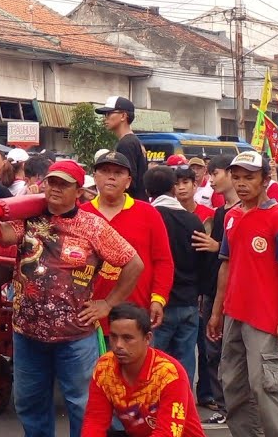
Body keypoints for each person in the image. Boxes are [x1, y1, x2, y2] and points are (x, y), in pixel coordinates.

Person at [0, 159, 145, 437]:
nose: (55, 188)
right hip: (26, 334)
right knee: (29, 403)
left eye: (63, 184)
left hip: (75, 337)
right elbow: (2, 236)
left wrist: (108, 304)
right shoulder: (30, 217)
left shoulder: (92, 226)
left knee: (83, 405)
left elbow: (133, 263)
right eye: (52, 181)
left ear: (78, 191)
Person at [205, 151, 278, 437]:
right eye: (237, 177)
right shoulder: (231, 217)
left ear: (265, 180)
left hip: (264, 316)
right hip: (234, 313)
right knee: (232, 383)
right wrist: (217, 312)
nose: (241, 183)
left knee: (263, 386)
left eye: (249, 177)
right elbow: (226, 267)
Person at [80, 303, 205, 437]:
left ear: (147, 338)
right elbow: (94, 422)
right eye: (113, 336)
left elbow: (166, 434)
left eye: (127, 338)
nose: (118, 345)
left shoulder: (169, 374)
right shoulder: (104, 367)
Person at [80, 152, 174, 328]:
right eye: (105, 171)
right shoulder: (80, 214)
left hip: (135, 315)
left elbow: (163, 261)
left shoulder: (149, 214)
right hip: (88, 316)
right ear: (95, 177)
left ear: (128, 181)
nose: (111, 177)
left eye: (118, 173)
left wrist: (158, 298)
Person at [150, 165, 206, 388]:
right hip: (189, 302)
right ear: (173, 188)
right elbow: (203, 261)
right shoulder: (192, 220)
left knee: (155, 362)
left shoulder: (150, 216)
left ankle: (155, 411)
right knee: (184, 361)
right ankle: (182, 408)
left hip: (158, 303)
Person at [191, 157, 237, 424]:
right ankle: (224, 406)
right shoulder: (220, 214)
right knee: (212, 350)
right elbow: (215, 261)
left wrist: (216, 245)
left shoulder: (244, 212)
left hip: (236, 294)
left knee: (234, 353)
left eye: (215, 173)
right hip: (212, 292)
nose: (210, 180)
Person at [96, 96, 149, 201]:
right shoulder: (133, 140)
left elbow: (128, 183)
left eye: (109, 113)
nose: (105, 118)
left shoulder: (126, 143)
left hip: (131, 205)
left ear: (123, 116)